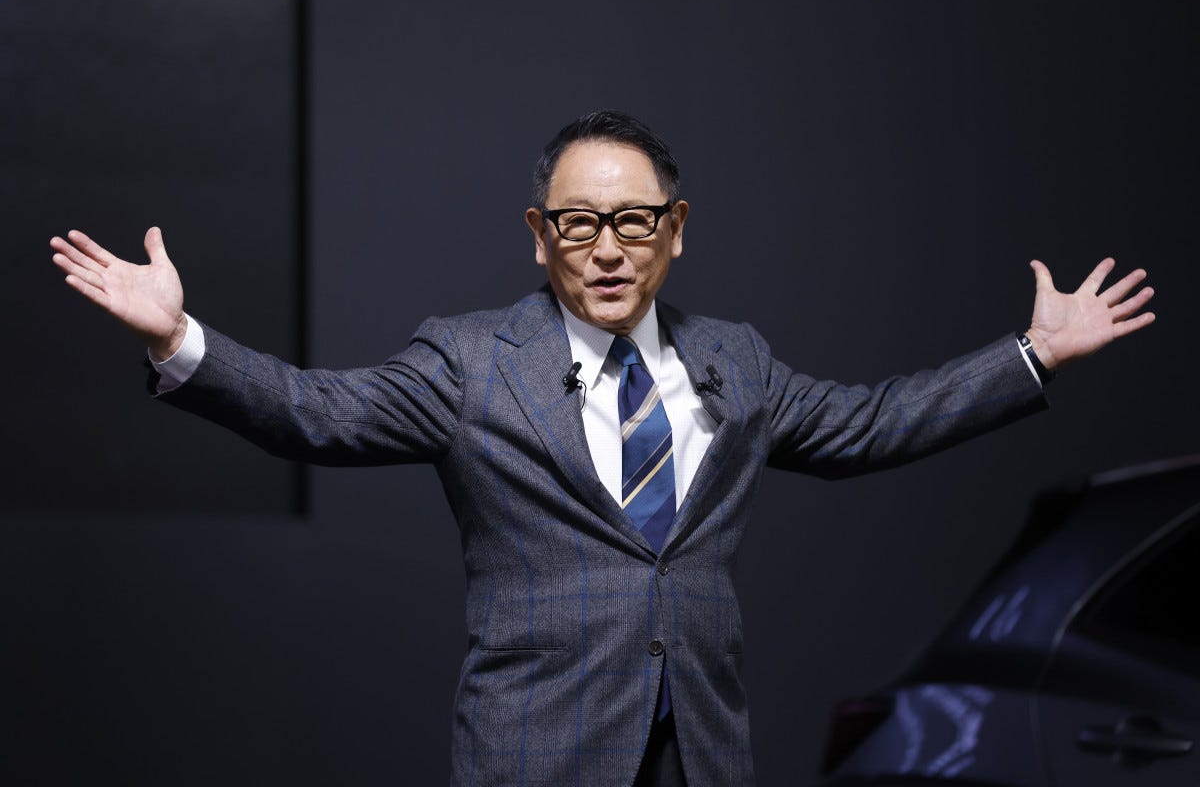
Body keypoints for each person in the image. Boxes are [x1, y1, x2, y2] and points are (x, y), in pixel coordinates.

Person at [50, 110, 1154, 786]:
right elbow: (315, 410)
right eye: (580, 222)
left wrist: (1032, 355)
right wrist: (181, 339)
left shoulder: (736, 357)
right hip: (539, 753)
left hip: (702, 750)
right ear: (540, 234)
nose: (609, 249)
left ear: (676, 229)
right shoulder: (471, 360)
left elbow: (868, 425)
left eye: (635, 222)